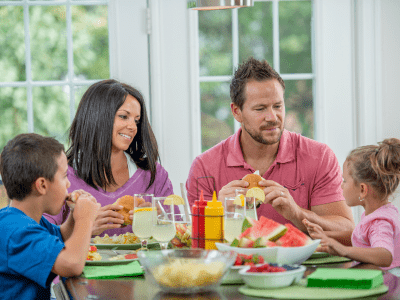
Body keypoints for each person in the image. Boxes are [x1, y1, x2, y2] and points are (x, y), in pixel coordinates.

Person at [186, 57, 354, 232]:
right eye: (260, 109)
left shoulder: (319, 157)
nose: (272, 117)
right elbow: (194, 244)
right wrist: (218, 214)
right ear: (237, 112)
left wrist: (296, 213)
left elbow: (347, 232)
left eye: (277, 106)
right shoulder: (204, 167)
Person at [44, 79, 173, 237]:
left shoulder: (154, 176)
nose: (133, 127)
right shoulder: (60, 177)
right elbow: (38, 243)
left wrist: (160, 221)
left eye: (137, 120)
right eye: (124, 116)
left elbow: (178, 235)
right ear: (97, 117)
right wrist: (84, 229)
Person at [0, 133, 100, 300]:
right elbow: (72, 264)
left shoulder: (26, 220)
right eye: (64, 177)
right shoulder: (15, 231)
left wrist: (75, 217)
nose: (68, 184)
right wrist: (85, 219)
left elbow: (61, 237)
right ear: (42, 185)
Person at [303, 138, 400, 271]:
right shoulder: (382, 211)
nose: (341, 186)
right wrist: (326, 236)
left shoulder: (379, 222)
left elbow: (384, 256)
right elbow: (360, 236)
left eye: (345, 180)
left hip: (385, 284)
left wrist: (344, 250)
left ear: (362, 190)